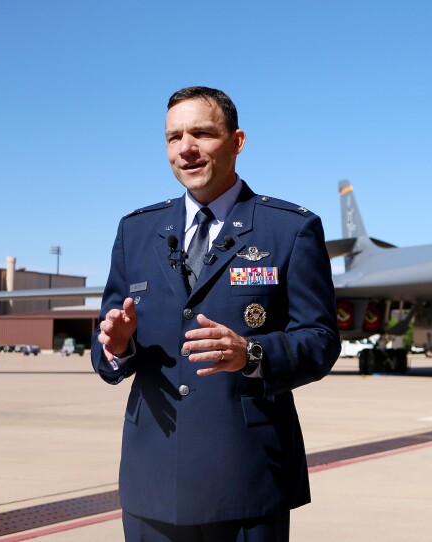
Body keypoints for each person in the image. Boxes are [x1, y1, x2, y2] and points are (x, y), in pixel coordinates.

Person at [92, 86, 340, 541]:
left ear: (237, 141)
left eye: (202, 134)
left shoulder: (290, 229)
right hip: (153, 480)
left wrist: (253, 353)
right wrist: (115, 346)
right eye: (173, 137)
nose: (185, 148)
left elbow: (321, 340)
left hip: (246, 480)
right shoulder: (136, 231)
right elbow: (107, 341)